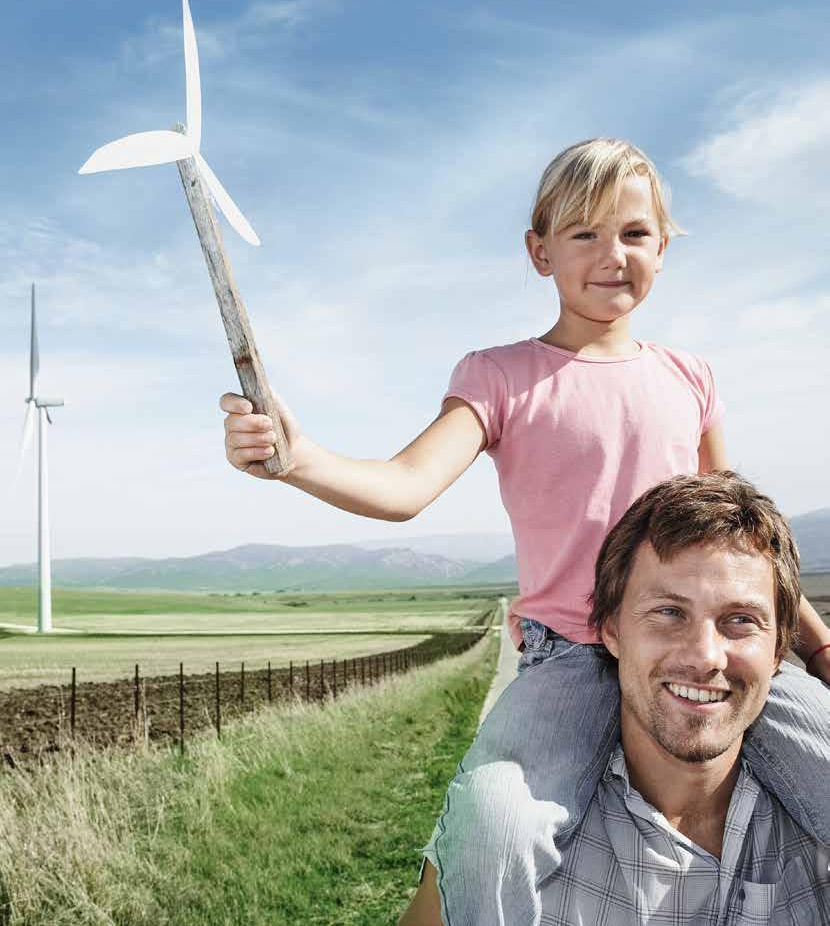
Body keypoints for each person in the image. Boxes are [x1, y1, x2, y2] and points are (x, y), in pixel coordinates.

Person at [220, 138, 830, 923]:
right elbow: (407, 485)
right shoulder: (499, 375)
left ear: (665, 247)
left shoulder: (690, 377)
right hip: (571, 653)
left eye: (635, 233)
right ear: (539, 251)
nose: (612, 255)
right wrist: (300, 458)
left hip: (694, 635)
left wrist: (812, 643)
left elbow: (748, 549)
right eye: (583, 233)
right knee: (495, 828)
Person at [399, 472, 830, 925]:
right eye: (668, 612)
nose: (705, 657)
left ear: (780, 647)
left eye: (740, 619)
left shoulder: (810, 826)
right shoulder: (514, 856)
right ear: (610, 632)